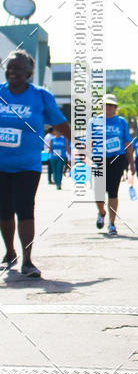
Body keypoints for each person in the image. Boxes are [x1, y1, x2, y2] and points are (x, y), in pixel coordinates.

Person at [0, 50, 71, 277]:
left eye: (18, 68)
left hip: (27, 165)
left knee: (24, 208)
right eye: (10, 67)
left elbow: (61, 123)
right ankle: (10, 252)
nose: (13, 72)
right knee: (3, 210)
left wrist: (80, 146)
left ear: (29, 73)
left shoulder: (40, 96)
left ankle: (27, 261)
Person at [92, 94, 135, 235]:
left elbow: (127, 143)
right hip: (99, 160)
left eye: (111, 105)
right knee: (99, 192)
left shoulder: (121, 122)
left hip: (117, 159)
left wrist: (131, 163)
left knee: (113, 192)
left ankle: (112, 223)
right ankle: (101, 212)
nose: (108, 108)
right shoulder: (94, 122)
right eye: (105, 105)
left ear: (115, 108)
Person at [48, 126, 71, 190]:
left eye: (59, 131)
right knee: (54, 171)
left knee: (59, 170)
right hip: (53, 157)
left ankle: (59, 183)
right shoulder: (52, 139)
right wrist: (47, 154)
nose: (58, 132)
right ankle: (56, 182)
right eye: (57, 131)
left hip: (61, 157)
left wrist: (70, 155)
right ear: (55, 132)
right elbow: (50, 148)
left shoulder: (64, 139)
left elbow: (67, 148)